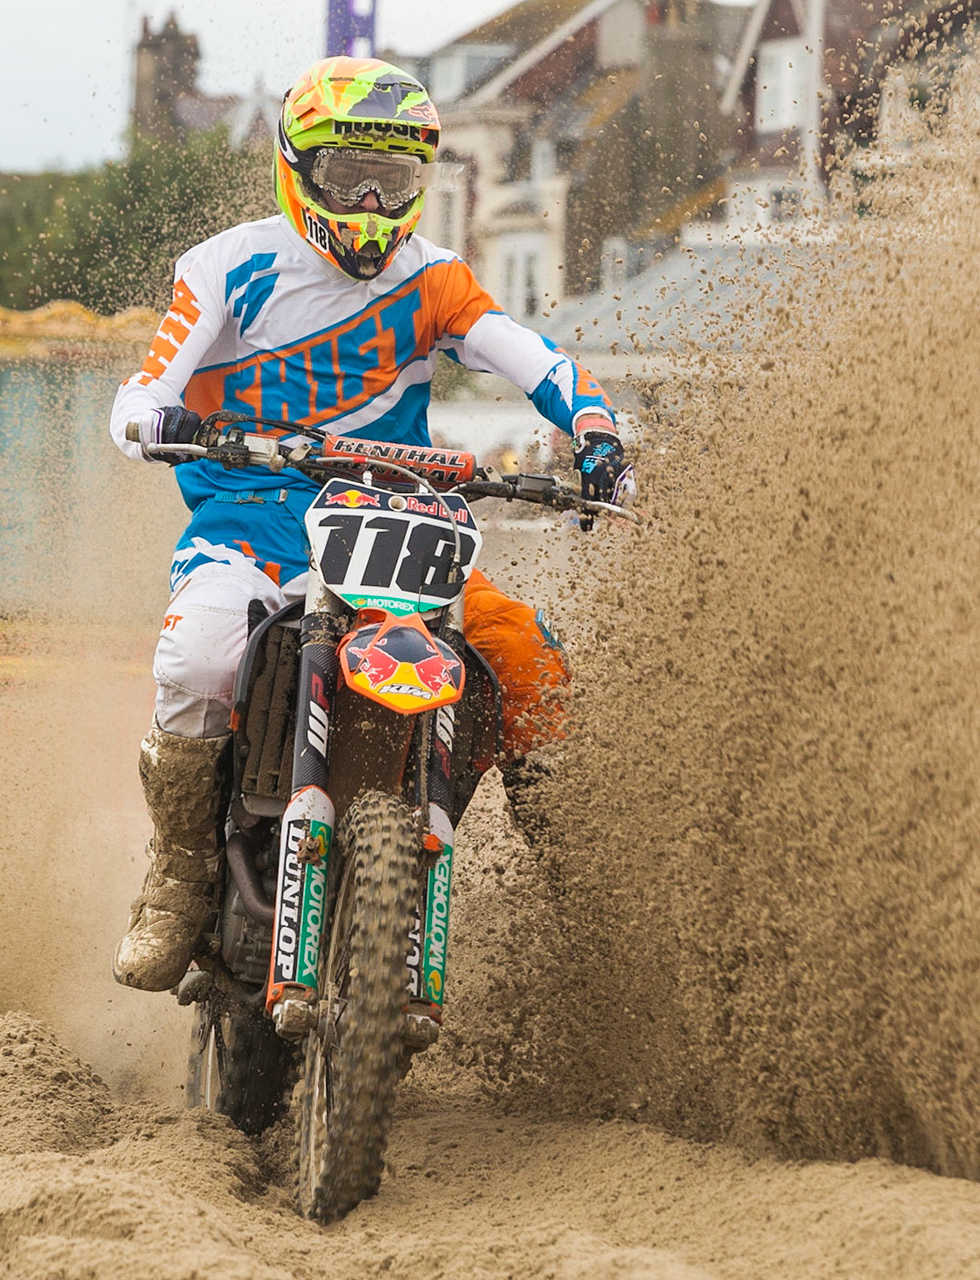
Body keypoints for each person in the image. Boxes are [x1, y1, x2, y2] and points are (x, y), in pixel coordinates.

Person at [105, 57, 633, 991]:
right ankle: (181, 872)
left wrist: (593, 429)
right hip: (251, 524)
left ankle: (589, 909)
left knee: (528, 660)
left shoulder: (436, 279)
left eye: (395, 180)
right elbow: (139, 395)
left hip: (391, 524)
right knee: (196, 658)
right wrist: (163, 421)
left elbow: (530, 355)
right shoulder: (229, 265)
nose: (373, 200)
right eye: (351, 176)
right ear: (298, 167)